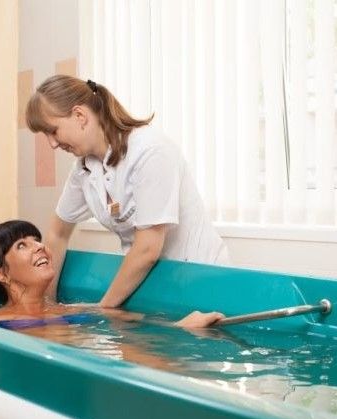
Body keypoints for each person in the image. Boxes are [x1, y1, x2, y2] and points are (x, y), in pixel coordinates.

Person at [25, 75, 228, 308]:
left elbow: (148, 248)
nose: (52, 144)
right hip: (149, 284)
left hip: (198, 280)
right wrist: (47, 305)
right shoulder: (84, 168)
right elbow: (57, 235)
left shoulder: (150, 151)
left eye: (53, 131)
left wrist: (103, 308)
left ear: (80, 115)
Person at [0, 220, 224, 331]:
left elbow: (145, 329)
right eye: (22, 245)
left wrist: (184, 327)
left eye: (36, 240)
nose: (39, 246)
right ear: (1, 273)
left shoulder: (79, 311)